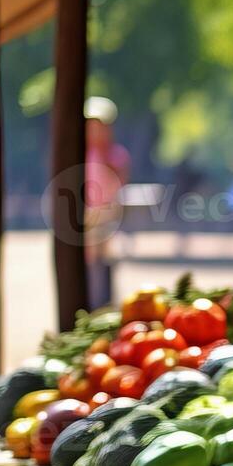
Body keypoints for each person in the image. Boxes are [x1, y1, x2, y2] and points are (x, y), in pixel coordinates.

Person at [84, 96, 130, 310]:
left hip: (108, 215)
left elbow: (118, 184)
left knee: (107, 261)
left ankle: (106, 304)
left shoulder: (115, 155)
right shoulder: (82, 155)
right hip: (86, 216)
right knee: (89, 263)